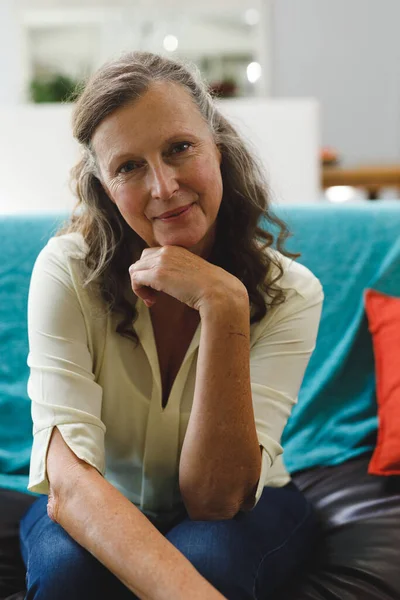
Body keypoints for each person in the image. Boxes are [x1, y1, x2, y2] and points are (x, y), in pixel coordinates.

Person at [19, 51, 324, 600]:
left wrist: (224, 304)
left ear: (219, 149)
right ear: (106, 188)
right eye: (129, 166)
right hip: (100, 492)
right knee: (69, 573)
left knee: (208, 553)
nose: (163, 187)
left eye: (180, 148)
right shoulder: (65, 270)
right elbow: (69, 484)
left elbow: (215, 499)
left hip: (245, 502)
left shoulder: (291, 291)